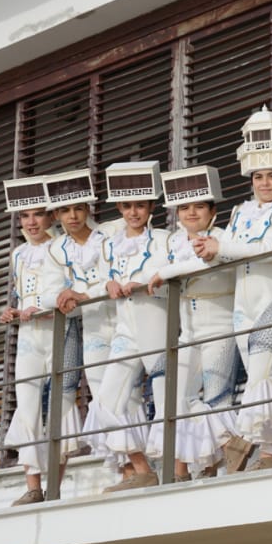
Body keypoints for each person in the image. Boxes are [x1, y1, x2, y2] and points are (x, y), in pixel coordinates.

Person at [193, 107, 272, 471]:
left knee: (263, 374)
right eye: (258, 176)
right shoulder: (238, 213)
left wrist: (221, 248)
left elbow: (271, 248)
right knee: (256, 376)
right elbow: (232, 253)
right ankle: (259, 450)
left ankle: (263, 450)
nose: (265, 183)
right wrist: (211, 254)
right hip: (244, 301)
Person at [148, 165, 242, 479]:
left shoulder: (223, 237)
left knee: (217, 396)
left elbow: (197, 263)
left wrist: (164, 273)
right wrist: (158, 272)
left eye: (199, 206)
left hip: (221, 327)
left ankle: (213, 466)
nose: (191, 212)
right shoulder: (171, 243)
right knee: (176, 396)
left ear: (212, 210)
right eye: (184, 207)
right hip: (188, 332)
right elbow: (149, 271)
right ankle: (182, 469)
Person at [97, 162, 174, 492]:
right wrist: (108, 284)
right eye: (127, 206)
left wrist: (138, 280)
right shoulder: (108, 244)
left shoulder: (164, 238)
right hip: (125, 328)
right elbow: (100, 278)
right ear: (119, 208)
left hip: (155, 319)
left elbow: (166, 269)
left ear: (151, 207)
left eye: (140, 205)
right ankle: (141, 465)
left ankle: (174, 467)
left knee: (164, 394)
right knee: (106, 401)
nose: (133, 212)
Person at [0, 176, 67, 507]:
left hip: (59, 331)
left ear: (51, 216)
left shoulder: (63, 247)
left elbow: (69, 292)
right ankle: (32, 485)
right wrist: (11, 311)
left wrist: (40, 307)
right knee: (25, 404)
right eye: (25, 216)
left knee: (60, 405)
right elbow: (18, 293)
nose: (31, 222)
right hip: (28, 336)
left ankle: (55, 484)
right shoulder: (18, 253)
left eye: (38, 214)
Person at [46, 168, 118, 466]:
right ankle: (119, 460)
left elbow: (119, 274)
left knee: (128, 387)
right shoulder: (55, 248)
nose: (73, 216)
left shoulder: (111, 234)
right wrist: (64, 296)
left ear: (88, 209)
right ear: (57, 216)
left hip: (124, 318)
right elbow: (51, 291)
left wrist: (82, 294)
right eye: (65, 210)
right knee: (101, 389)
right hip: (93, 325)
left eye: (78, 208)